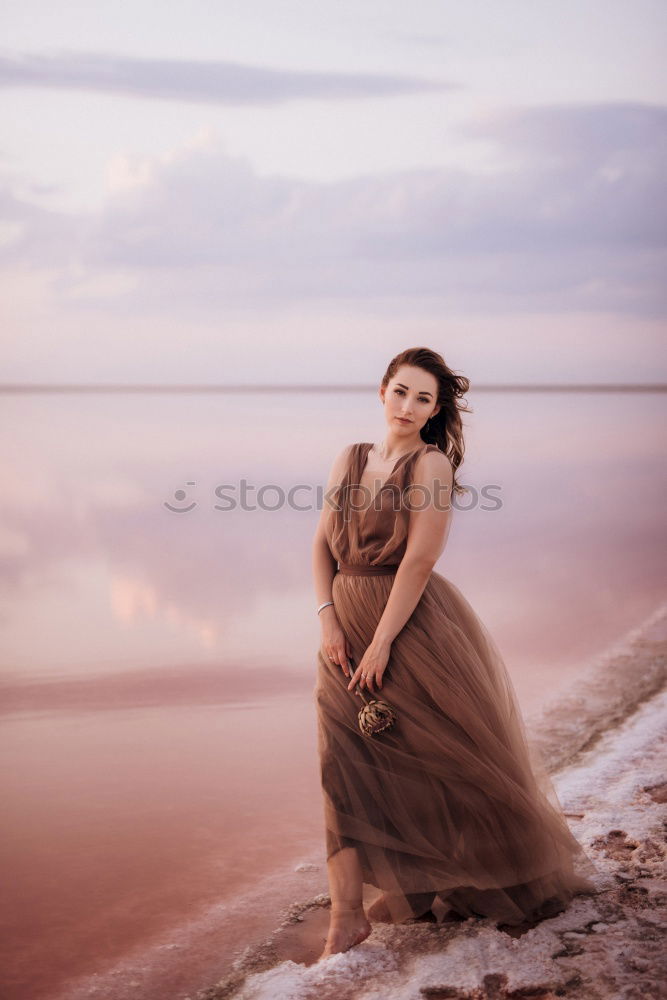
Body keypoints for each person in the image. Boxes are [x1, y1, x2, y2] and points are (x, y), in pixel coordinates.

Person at [311, 346, 598, 960]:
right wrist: (329, 620)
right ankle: (345, 916)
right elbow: (320, 548)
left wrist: (383, 640)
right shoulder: (350, 457)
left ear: (437, 411)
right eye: (401, 392)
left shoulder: (431, 465)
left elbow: (420, 560)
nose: (409, 407)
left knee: (435, 759)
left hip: (408, 626)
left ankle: (458, 876)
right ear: (381, 391)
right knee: (342, 763)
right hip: (344, 630)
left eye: (424, 399)